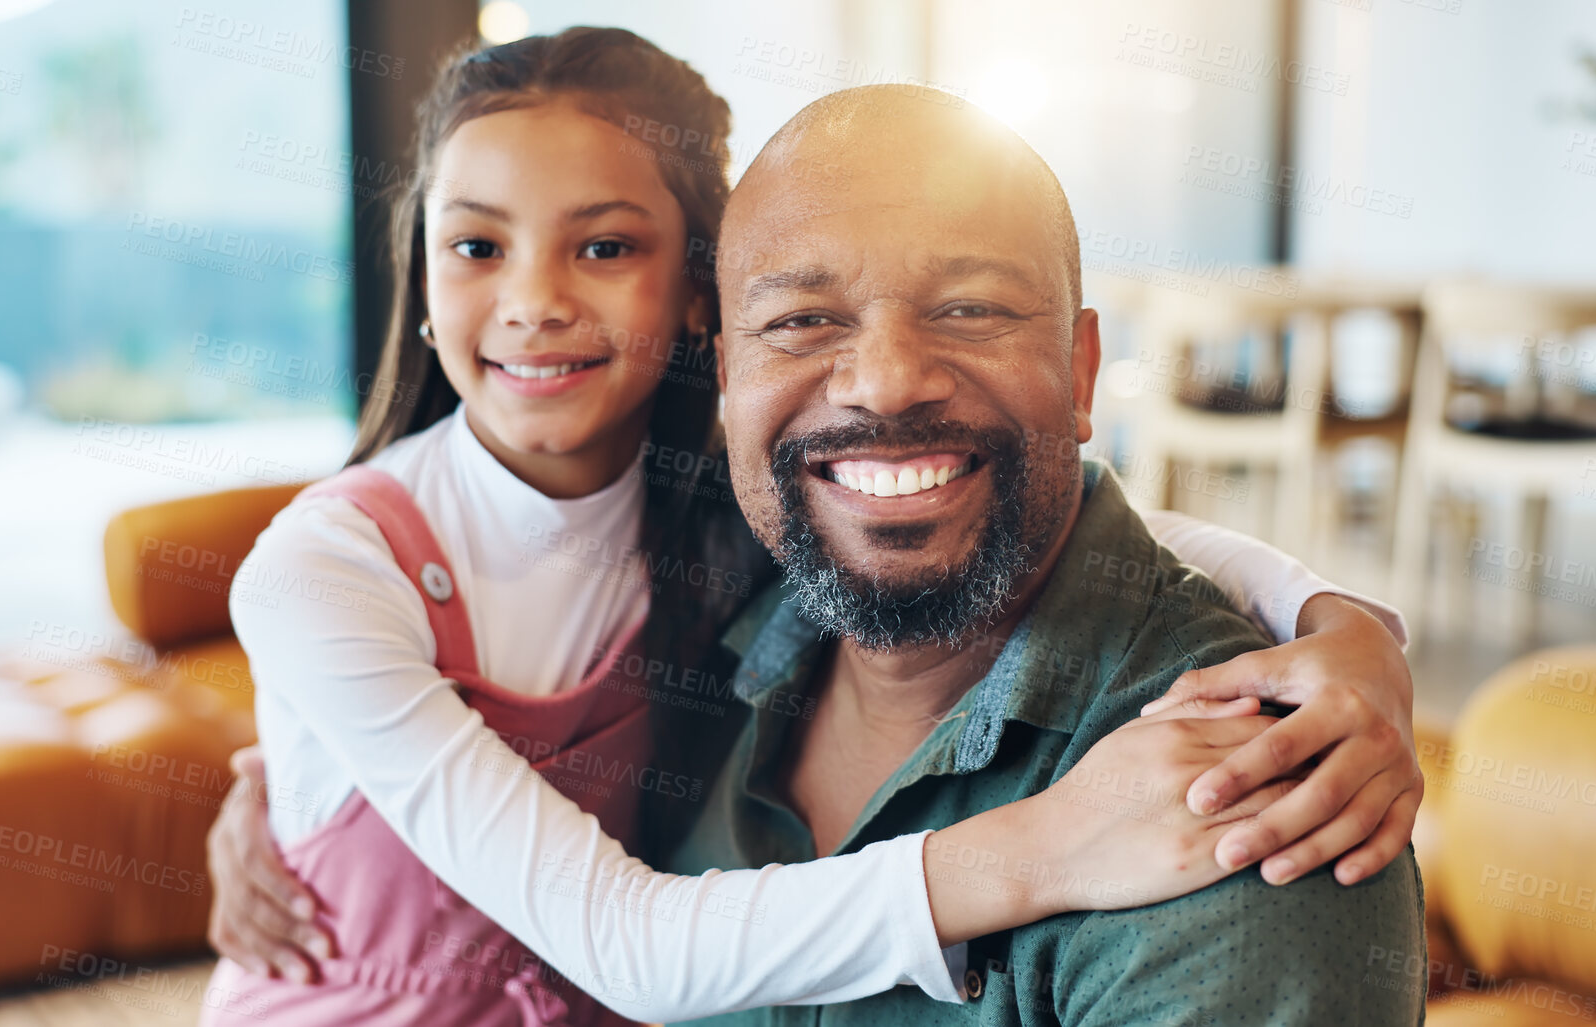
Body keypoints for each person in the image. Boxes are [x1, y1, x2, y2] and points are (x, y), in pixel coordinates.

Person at [204, 31, 1425, 1026]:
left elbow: (1059, 508)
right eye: (476, 245)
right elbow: (626, 944)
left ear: (692, 306)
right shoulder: (337, 568)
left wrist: (1345, 628)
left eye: (606, 245)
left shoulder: (723, 519)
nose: (532, 298)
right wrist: (1046, 849)